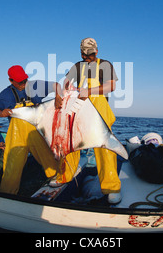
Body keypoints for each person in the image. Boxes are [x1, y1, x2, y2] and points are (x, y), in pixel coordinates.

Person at [62, 37, 122, 204]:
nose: (87, 57)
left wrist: (88, 91)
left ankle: (112, 188)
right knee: (70, 142)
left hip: (99, 109)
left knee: (105, 148)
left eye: (90, 54)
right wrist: (68, 91)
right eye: (84, 54)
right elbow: (66, 84)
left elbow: (111, 86)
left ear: (97, 51)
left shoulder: (105, 65)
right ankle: (64, 176)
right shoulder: (77, 66)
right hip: (79, 107)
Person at [0, 65, 64, 194]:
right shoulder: (5, 94)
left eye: (25, 80)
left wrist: (58, 96)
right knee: (12, 166)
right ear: (11, 81)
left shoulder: (35, 86)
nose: (23, 84)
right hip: (16, 136)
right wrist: (1, 113)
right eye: (20, 82)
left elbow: (56, 85)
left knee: (49, 158)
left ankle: (59, 179)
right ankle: (7, 193)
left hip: (36, 131)